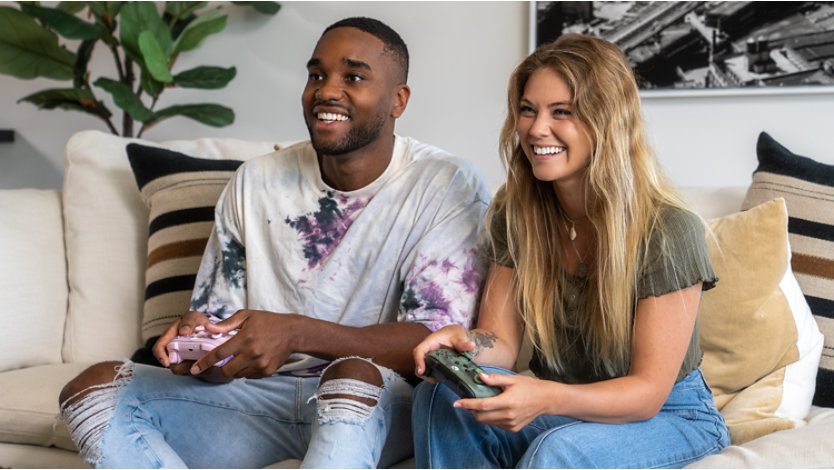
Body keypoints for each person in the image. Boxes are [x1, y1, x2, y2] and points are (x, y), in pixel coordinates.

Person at [58, 17, 490, 469]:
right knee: (93, 389)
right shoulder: (255, 181)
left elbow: (436, 347)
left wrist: (297, 332)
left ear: (398, 100)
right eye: (316, 75)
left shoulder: (445, 183)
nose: (326, 90)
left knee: (349, 377)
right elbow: (223, 336)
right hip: (259, 404)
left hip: (376, 401)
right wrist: (201, 344)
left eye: (353, 77)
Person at [411, 33, 730, 469]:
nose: (537, 129)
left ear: (607, 120)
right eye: (528, 110)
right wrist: (465, 344)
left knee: (559, 449)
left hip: (671, 415)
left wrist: (545, 397)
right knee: (441, 397)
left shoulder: (668, 229)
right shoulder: (518, 211)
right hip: (566, 406)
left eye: (562, 112)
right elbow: (501, 342)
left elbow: (647, 394)